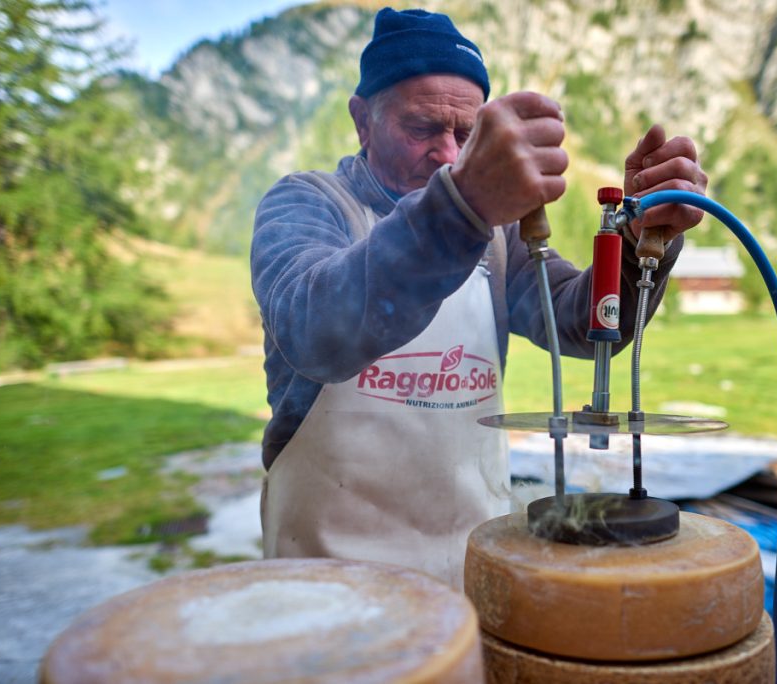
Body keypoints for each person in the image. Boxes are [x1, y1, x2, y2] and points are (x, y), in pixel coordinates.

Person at [252, 7, 708, 587]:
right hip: (330, 587)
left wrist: (641, 241)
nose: (446, 155)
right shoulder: (307, 205)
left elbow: (579, 320)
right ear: (362, 120)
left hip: (471, 570)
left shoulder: (497, 237)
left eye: (467, 137)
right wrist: (461, 207)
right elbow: (316, 332)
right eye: (422, 129)